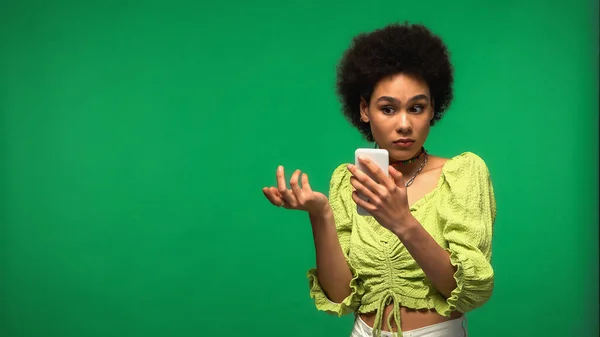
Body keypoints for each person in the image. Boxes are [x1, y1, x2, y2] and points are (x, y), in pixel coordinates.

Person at [262, 22, 496, 337]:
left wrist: (403, 222)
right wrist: (321, 215)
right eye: (388, 109)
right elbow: (341, 295)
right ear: (364, 110)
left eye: (416, 108)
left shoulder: (461, 174)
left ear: (432, 111)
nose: (404, 124)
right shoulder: (348, 181)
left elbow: (468, 292)